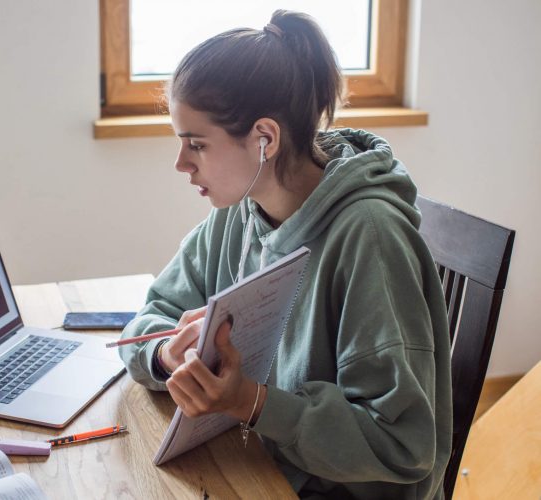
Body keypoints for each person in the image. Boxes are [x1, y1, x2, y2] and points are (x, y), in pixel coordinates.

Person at [118, 10, 451, 499]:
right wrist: (167, 356)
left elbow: (401, 443)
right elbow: (148, 320)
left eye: (196, 144)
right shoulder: (240, 210)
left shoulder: (370, 237)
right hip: (260, 462)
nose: (181, 164)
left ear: (265, 139)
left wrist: (253, 403)